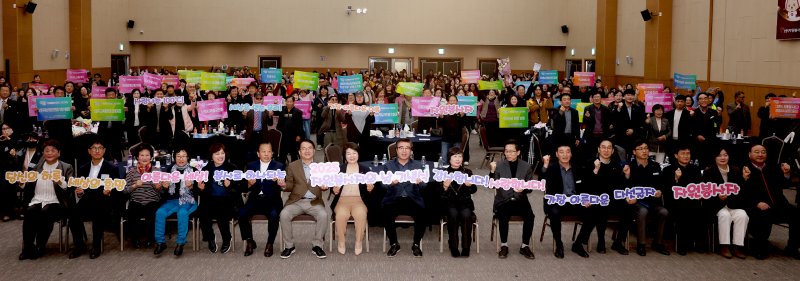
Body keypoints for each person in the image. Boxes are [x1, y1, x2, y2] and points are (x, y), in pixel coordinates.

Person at [19, 140, 75, 260]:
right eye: (47, 151)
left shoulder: (66, 167)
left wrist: (59, 180)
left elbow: (70, 187)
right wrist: (22, 184)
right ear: (43, 153)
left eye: (53, 151)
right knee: (30, 212)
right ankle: (27, 248)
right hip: (37, 199)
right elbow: (28, 183)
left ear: (59, 153)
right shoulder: (37, 166)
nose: (49, 153)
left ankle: (40, 245)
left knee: (46, 212)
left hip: (56, 201)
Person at [743, 144, 799, 260]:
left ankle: (792, 248)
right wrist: (756, 203)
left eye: (763, 152)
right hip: (756, 205)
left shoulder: (773, 167)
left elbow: (785, 184)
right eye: (756, 152)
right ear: (749, 155)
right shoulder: (745, 169)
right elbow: (743, 193)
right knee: (762, 214)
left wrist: (786, 174)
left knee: (796, 214)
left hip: (778, 204)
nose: (760, 154)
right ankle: (759, 247)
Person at [67, 139, 120, 259]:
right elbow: (80, 188)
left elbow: (118, 188)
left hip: (104, 200)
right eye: (94, 148)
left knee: (98, 212)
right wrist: (79, 192)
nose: (97, 151)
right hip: (87, 199)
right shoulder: (83, 168)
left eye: (100, 148)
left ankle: (96, 246)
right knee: (73, 213)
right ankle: (79, 246)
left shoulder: (112, 168)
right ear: (89, 151)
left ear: (104, 150)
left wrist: (109, 192)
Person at [279, 139, 329, 259]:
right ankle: (289, 246)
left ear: (314, 151)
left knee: (323, 215)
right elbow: (290, 185)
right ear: (299, 152)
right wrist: (284, 185)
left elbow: (325, 184)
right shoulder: (292, 166)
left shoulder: (321, 167)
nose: (307, 151)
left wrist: (324, 186)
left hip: (314, 202)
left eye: (309, 148)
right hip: (296, 201)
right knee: (284, 214)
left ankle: (317, 245)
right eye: (304, 148)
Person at [618, 140, 670, 256]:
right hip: (636, 202)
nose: (644, 151)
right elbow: (623, 188)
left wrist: (660, 191)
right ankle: (641, 244)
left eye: (646, 148)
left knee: (664, 212)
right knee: (642, 211)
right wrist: (626, 176)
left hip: (652, 201)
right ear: (634, 152)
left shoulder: (655, 166)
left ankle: (658, 243)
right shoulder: (629, 166)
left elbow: (661, 184)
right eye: (640, 149)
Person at [575, 140, 625, 256]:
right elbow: (584, 186)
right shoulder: (589, 164)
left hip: (611, 200)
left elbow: (620, 187)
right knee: (597, 208)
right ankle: (585, 242)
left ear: (612, 151)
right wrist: (595, 171)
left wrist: (626, 176)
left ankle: (618, 242)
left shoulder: (617, 167)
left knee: (629, 209)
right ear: (598, 149)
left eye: (609, 148)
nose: (606, 150)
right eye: (603, 147)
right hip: (592, 200)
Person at [379, 138, 428, 257]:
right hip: (394, 198)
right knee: (387, 212)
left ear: (411, 150)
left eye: (407, 148)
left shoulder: (418, 165)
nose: (404, 151)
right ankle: (394, 243)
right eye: (401, 148)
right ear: (396, 150)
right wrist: (390, 183)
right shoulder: (388, 166)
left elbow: (425, 185)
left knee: (422, 213)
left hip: (412, 198)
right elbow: (382, 185)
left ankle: (416, 244)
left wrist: (420, 182)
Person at [489, 140, 535, 259]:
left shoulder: (526, 166)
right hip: (504, 200)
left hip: (520, 199)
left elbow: (530, 188)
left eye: (511, 151)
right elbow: (492, 184)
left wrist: (524, 188)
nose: (508, 154)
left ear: (518, 152)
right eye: (506, 151)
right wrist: (492, 171)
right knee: (503, 215)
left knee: (530, 216)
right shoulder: (499, 165)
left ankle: (525, 246)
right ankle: (504, 245)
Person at [239, 142, 285, 257]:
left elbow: (284, 184)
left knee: (274, 215)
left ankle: (270, 243)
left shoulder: (279, 166)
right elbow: (243, 186)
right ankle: (249, 240)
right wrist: (249, 184)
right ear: (258, 154)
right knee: (242, 213)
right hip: (255, 199)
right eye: (263, 152)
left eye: (269, 151)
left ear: (272, 153)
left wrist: (281, 183)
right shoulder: (251, 165)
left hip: (272, 199)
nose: (266, 154)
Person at [541, 144, 587, 258]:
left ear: (571, 154)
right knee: (555, 213)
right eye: (561, 152)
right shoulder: (551, 168)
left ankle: (578, 243)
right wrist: (545, 165)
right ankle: (559, 244)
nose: (565, 155)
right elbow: (541, 181)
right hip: (556, 202)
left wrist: (586, 198)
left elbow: (584, 187)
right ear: (556, 154)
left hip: (575, 201)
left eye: (567, 152)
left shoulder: (578, 168)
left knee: (593, 212)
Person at [663, 143, 708, 255]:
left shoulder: (696, 169)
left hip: (693, 201)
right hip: (675, 202)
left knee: (701, 209)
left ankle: (699, 243)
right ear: (676, 155)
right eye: (682, 154)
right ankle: (683, 244)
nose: (686, 156)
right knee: (684, 210)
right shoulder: (668, 170)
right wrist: (676, 179)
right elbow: (667, 190)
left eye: (688, 153)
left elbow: (700, 186)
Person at [703, 146, 748, 259]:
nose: (723, 157)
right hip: (717, 205)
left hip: (734, 203)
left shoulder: (736, 170)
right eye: (719, 155)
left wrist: (731, 195)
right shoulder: (709, 172)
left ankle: (737, 246)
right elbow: (706, 192)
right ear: (715, 158)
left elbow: (741, 190)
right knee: (725, 215)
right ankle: (724, 246)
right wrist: (718, 196)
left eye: (725, 155)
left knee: (742, 215)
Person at [153, 148, 198, 257]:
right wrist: (164, 187)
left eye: (184, 156)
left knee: (182, 213)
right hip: (172, 201)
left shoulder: (194, 171)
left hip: (188, 200)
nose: (181, 158)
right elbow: (164, 192)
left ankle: (180, 243)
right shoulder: (169, 169)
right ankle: (160, 242)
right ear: (175, 157)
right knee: (160, 212)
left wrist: (192, 187)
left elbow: (200, 191)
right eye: (178, 156)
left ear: (188, 158)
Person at [197, 143, 240, 254]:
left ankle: (226, 239)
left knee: (221, 213)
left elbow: (240, 188)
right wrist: (201, 189)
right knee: (203, 212)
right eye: (217, 154)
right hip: (211, 199)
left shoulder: (232, 168)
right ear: (211, 156)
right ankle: (210, 238)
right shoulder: (206, 170)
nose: (220, 156)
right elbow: (200, 191)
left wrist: (230, 185)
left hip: (228, 199)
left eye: (222, 153)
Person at [330, 143, 372, 255]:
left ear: (358, 154)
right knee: (341, 215)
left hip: (359, 200)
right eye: (348, 153)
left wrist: (370, 188)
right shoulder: (339, 169)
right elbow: (331, 188)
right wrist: (335, 190)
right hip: (342, 200)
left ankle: (358, 242)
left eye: (354, 153)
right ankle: (341, 242)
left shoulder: (365, 169)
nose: (351, 156)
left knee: (361, 214)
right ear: (344, 155)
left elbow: (371, 190)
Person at [438, 147, 476, 257]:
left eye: (460, 156)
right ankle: (453, 246)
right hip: (449, 203)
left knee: (466, 215)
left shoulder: (467, 172)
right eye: (455, 156)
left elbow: (474, 190)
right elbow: (439, 194)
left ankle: (466, 246)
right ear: (449, 159)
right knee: (453, 214)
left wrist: (470, 186)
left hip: (465, 203)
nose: (458, 159)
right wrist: (444, 187)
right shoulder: (443, 173)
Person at [124, 144, 161, 249]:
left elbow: (162, 192)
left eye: (147, 155)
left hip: (152, 199)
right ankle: (135, 239)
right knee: (132, 212)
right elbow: (125, 191)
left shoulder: (156, 171)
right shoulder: (131, 172)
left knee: (152, 213)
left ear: (151, 157)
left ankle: (150, 239)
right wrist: (135, 186)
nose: (144, 158)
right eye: (142, 155)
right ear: (137, 157)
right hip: (136, 199)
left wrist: (158, 187)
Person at [692, 92, 722, 168]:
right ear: (698, 101)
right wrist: (697, 135)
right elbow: (691, 128)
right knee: (699, 166)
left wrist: (719, 115)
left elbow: (717, 125)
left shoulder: (714, 112)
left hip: (711, 143)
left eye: (705, 98)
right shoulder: (694, 113)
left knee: (710, 166)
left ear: (709, 100)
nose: (703, 100)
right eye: (701, 99)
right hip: (698, 144)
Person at [614, 89, 646, 154]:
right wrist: (618, 109)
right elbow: (615, 122)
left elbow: (641, 123)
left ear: (634, 97)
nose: (630, 97)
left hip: (635, 139)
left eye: (632, 95)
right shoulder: (618, 107)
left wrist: (633, 130)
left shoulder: (638, 108)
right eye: (628, 95)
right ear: (624, 97)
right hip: (621, 139)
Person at [438, 95, 465, 166]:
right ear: (448, 102)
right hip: (446, 138)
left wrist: (461, 117)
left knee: (457, 158)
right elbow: (440, 125)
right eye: (451, 101)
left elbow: (463, 125)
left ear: (457, 102)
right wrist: (441, 117)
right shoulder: (444, 111)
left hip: (457, 138)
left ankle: (456, 173)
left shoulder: (461, 111)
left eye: (454, 101)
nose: (452, 102)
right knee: (444, 158)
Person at [276, 97, 304, 162]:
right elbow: (279, 123)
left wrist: (298, 135)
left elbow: (300, 125)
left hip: (294, 136)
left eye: (290, 101)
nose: (289, 103)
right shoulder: (282, 111)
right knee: (282, 153)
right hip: (284, 136)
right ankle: (282, 167)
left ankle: (294, 168)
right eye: (287, 101)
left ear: (294, 102)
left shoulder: (298, 112)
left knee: (294, 153)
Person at [664, 94, 692, 160]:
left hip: (683, 141)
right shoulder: (669, 114)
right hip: (671, 141)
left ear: (685, 103)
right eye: (678, 101)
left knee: (681, 159)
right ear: (675, 102)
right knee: (671, 158)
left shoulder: (688, 114)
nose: (679, 103)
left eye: (682, 101)